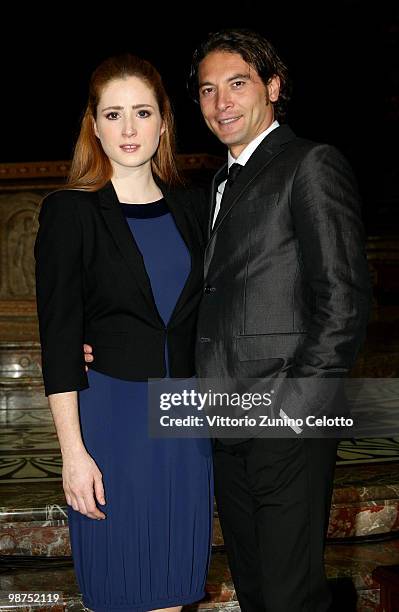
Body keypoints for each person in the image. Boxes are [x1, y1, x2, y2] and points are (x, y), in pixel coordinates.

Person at [185, 29, 371, 612]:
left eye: (237, 84)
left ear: (273, 86)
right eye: (208, 90)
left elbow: (343, 300)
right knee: (258, 591)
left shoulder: (311, 164)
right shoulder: (217, 183)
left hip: (286, 422)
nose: (222, 103)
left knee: (292, 597)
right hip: (225, 421)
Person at [34, 53, 213, 612]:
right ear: (94, 125)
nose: (129, 129)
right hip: (113, 424)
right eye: (113, 115)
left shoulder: (194, 205)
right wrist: (73, 453)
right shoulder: (69, 211)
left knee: (173, 591)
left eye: (142, 112)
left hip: (186, 422)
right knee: (121, 588)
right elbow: (59, 338)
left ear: (163, 121)